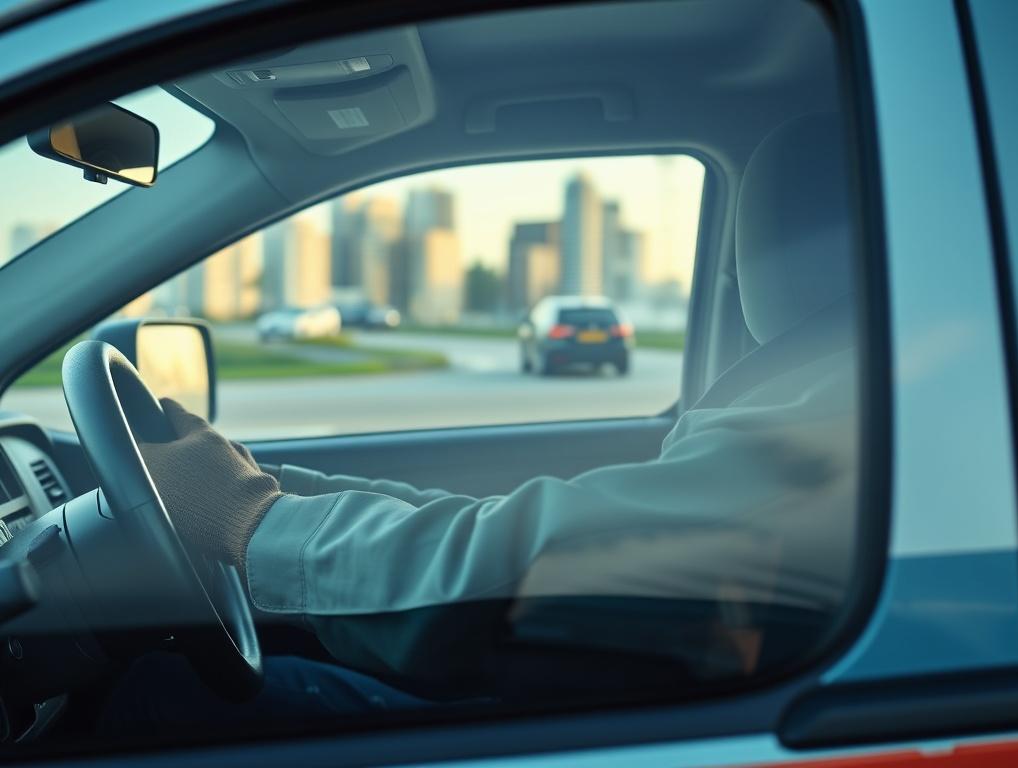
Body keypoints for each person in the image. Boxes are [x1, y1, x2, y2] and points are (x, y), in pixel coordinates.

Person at [109, 112, 861, 733]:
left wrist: (250, 522)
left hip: (687, 716)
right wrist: (262, 485)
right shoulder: (817, 387)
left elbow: (530, 568)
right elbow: (532, 530)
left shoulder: (835, 407)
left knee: (159, 698)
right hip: (670, 688)